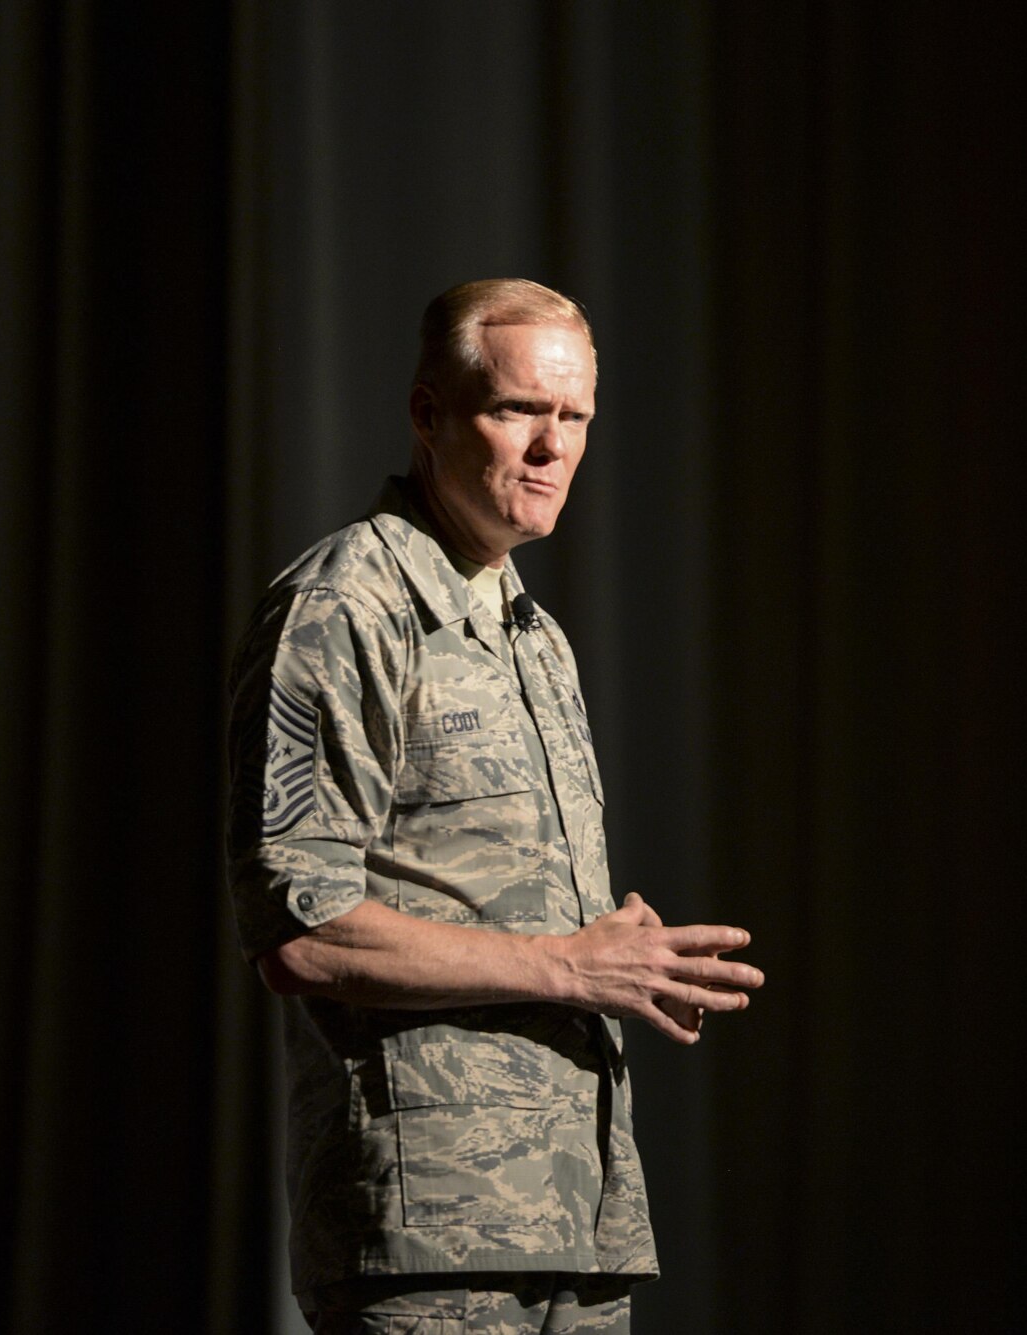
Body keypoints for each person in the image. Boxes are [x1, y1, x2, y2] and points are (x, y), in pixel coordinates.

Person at [224, 278, 763, 1333]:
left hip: (579, 1216)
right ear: (428, 415)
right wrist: (567, 964)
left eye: (574, 419)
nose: (550, 448)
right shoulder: (344, 608)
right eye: (518, 410)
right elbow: (301, 930)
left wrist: (622, 964)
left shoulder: (533, 634)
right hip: (431, 1230)